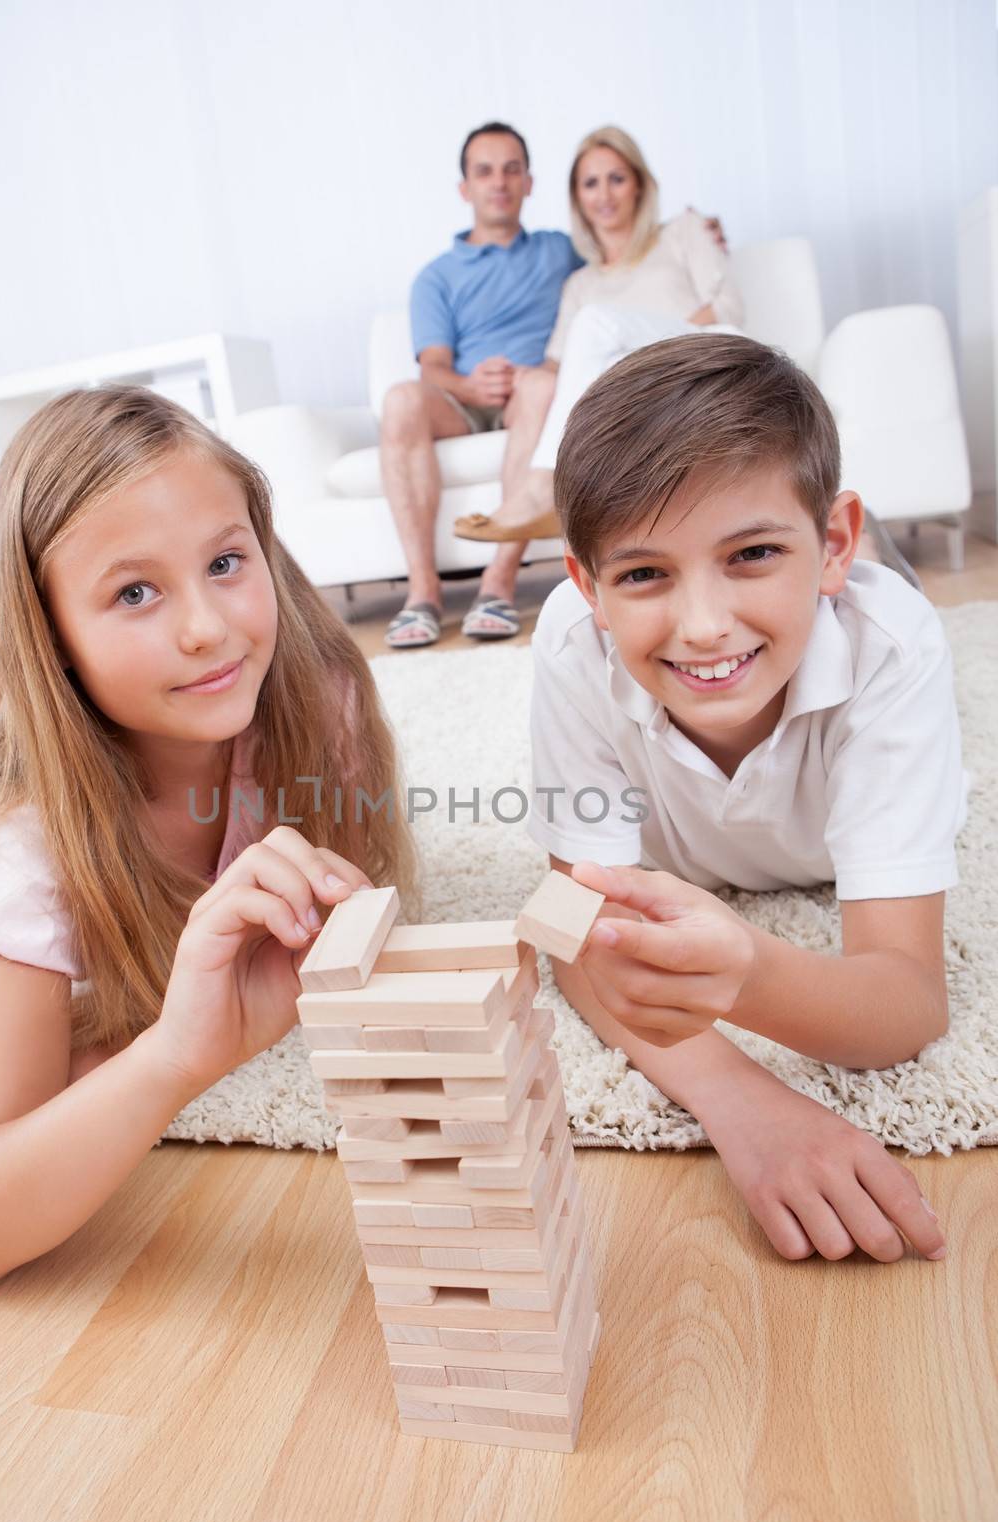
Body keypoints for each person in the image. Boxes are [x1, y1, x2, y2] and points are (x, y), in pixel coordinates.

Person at [0, 384, 416, 1295]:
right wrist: (156, 1062)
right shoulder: (17, 864)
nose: (209, 629)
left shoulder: (316, 698)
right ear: (52, 633)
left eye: (226, 562)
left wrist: (67, 1102)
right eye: (136, 592)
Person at [527, 331, 968, 1265]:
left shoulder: (892, 647)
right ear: (586, 585)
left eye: (753, 553)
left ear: (835, 543)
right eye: (643, 573)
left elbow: (908, 998)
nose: (703, 625)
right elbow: (569, 924)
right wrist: (740, 1097)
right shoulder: (572, 638)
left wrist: (749, 976)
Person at [383, 120, 728, 646]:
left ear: (529, 183)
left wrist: (707, 233)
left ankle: (497, 584)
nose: (498, 182)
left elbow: (626, 245)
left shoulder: (561, 253)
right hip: (462, 396)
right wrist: (468, 385)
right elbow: (432, 366)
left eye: (511, 170)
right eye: (484, 172)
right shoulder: (441, 277)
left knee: (543, 386)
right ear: (465, 188)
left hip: (538, 394)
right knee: (402, 398)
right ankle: (422, 594)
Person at [456, 125, 742, 546]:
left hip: (709, 360)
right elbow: (561, 365)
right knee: (595, 354)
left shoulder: (683, 230)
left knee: (594, 325)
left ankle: (540, 487)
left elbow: (728, 307)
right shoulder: (580, 284)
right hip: (643, 393)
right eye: (591, 183)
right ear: (577, 198)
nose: (604, 195)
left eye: (617, 179)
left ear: (640, 185)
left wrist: (656, 352)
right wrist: (524, 378)